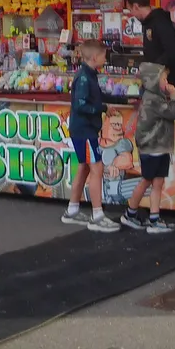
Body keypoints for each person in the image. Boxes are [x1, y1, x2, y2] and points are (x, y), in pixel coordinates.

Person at [62, 40, 126, 231]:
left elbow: (95, 97)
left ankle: (72, 210)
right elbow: (81, 105)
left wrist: (117, 99)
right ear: (95, 57)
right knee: (96, 168)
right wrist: (104, 108)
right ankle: (97, 215)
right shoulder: (84, 78)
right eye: (104, 56)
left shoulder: (88, 75)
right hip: (85, 130)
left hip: (82, 129)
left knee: (84, 167)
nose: (105, 59)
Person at [120, 62, 175, 233]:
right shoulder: (154, 100)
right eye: (164, 78)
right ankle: (130, 213)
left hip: (158, 147)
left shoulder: (155, 98)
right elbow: (174, 113)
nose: (166, 82)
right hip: (153, 147)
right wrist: (174, 95)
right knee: (148, 180)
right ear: (154, 80)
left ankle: (154, 217)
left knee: (157, 181)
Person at [126, 0, 175, 97]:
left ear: (136, 7)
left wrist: (151, 68)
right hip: (155, 85)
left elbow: (173, 51)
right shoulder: (148, 23)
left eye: (130, 10)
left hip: (169, 85)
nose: (132, 14)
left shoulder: (160, 21)